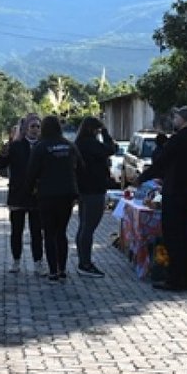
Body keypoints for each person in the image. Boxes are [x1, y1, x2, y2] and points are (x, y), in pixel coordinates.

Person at [136, 107, 187, 291]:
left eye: (176, 116)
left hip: (174, 193)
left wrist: (142, 178)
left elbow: (161, 164)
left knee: (173, 237)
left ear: (184, 119)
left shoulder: (177, 140)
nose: (174, 119)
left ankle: (175, 279)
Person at [28, 115, 81, 282]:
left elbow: (31, 171)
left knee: (49, 233)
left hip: (47, 195)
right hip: (67, 195)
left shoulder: (40, 147)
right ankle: (63, 269)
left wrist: (28, 191)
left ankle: (53, 271)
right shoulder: (69, 145)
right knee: (61, 232)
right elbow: (81, 168)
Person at [0, 114, 45, 275]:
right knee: (17, 230)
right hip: (18, 194)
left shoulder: (43, 146)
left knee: (37, 231)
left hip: (37, 195)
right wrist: (2, 153)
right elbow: (0, 164)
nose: (35, 130)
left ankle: (38, 262)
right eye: (32, 126)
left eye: (38, 126)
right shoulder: (15, 146)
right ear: (25, 128)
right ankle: (16, 261)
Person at [72, 116, 115, 278]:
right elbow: (110, 149)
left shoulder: (79, 143)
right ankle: (85, 263)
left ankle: (83, 259)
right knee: (89, 227)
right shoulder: (90, 144)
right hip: (94, 190)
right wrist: (105, 132)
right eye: (97, 131)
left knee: (83, 225)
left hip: (83, 189)